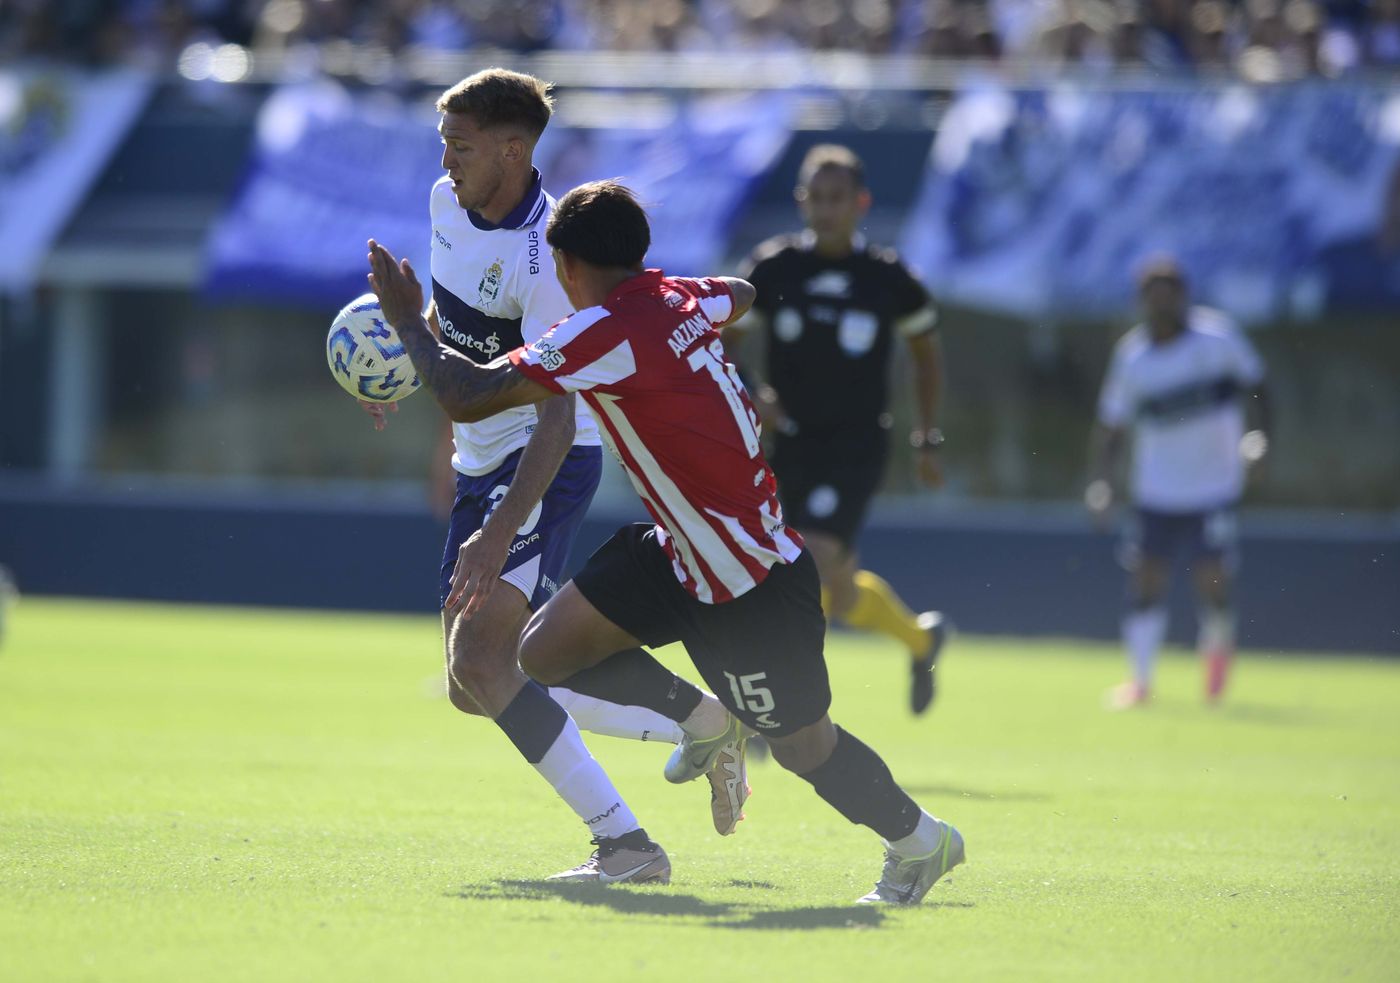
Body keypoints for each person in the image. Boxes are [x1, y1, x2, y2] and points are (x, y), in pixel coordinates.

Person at [365, 179, 966, 905]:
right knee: (542, 652)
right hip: (677, 552)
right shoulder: (679, 299)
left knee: (805, 747)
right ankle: (704, 719)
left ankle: (922, 841)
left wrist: (409, 324)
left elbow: (465, 394)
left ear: (570, 267)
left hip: (750, 583)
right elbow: (740, 292)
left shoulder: (604, 333)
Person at [359, 69, 749, 881]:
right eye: (444, 143)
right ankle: (703, 717)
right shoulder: (444, 202)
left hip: (544, 458)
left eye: (461, 146)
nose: (447, 160)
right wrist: (402, 361)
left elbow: (560, 416)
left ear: (513, 150)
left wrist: (498, 529)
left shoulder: (547, 263)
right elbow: (448, 318)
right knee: (475, 681)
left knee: (482, 661)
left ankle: (627, 845)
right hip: (479, 461)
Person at [724, 144, 949, 716]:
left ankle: (779, 701)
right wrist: (753, 391)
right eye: (816, 197)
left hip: (855, 446)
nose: (825, 209)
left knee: (812, 560)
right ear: (802, 201)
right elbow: (725, 343)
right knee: (839, 590)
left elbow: (926, 355)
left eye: (837, 198)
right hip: (786, 445)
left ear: (860, 203)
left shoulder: (889, 279)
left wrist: (927, 438)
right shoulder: (773, 268)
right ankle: (921, 640)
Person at [1086, 256, 1271, 709]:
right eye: (1153, 298)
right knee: (1146, 580)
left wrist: (1260, 437)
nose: (1162, 306)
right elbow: (1112, 426)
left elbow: (1258, 387)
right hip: (1157, 489)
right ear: (1142, 302)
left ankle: (1217, 660)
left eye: (1169, 297)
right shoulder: (1133, 356)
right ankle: (1140, 680)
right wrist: (1102, 482)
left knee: (1213, 582)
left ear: (1183, 297)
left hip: (1214, 487)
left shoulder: (1218, 338)